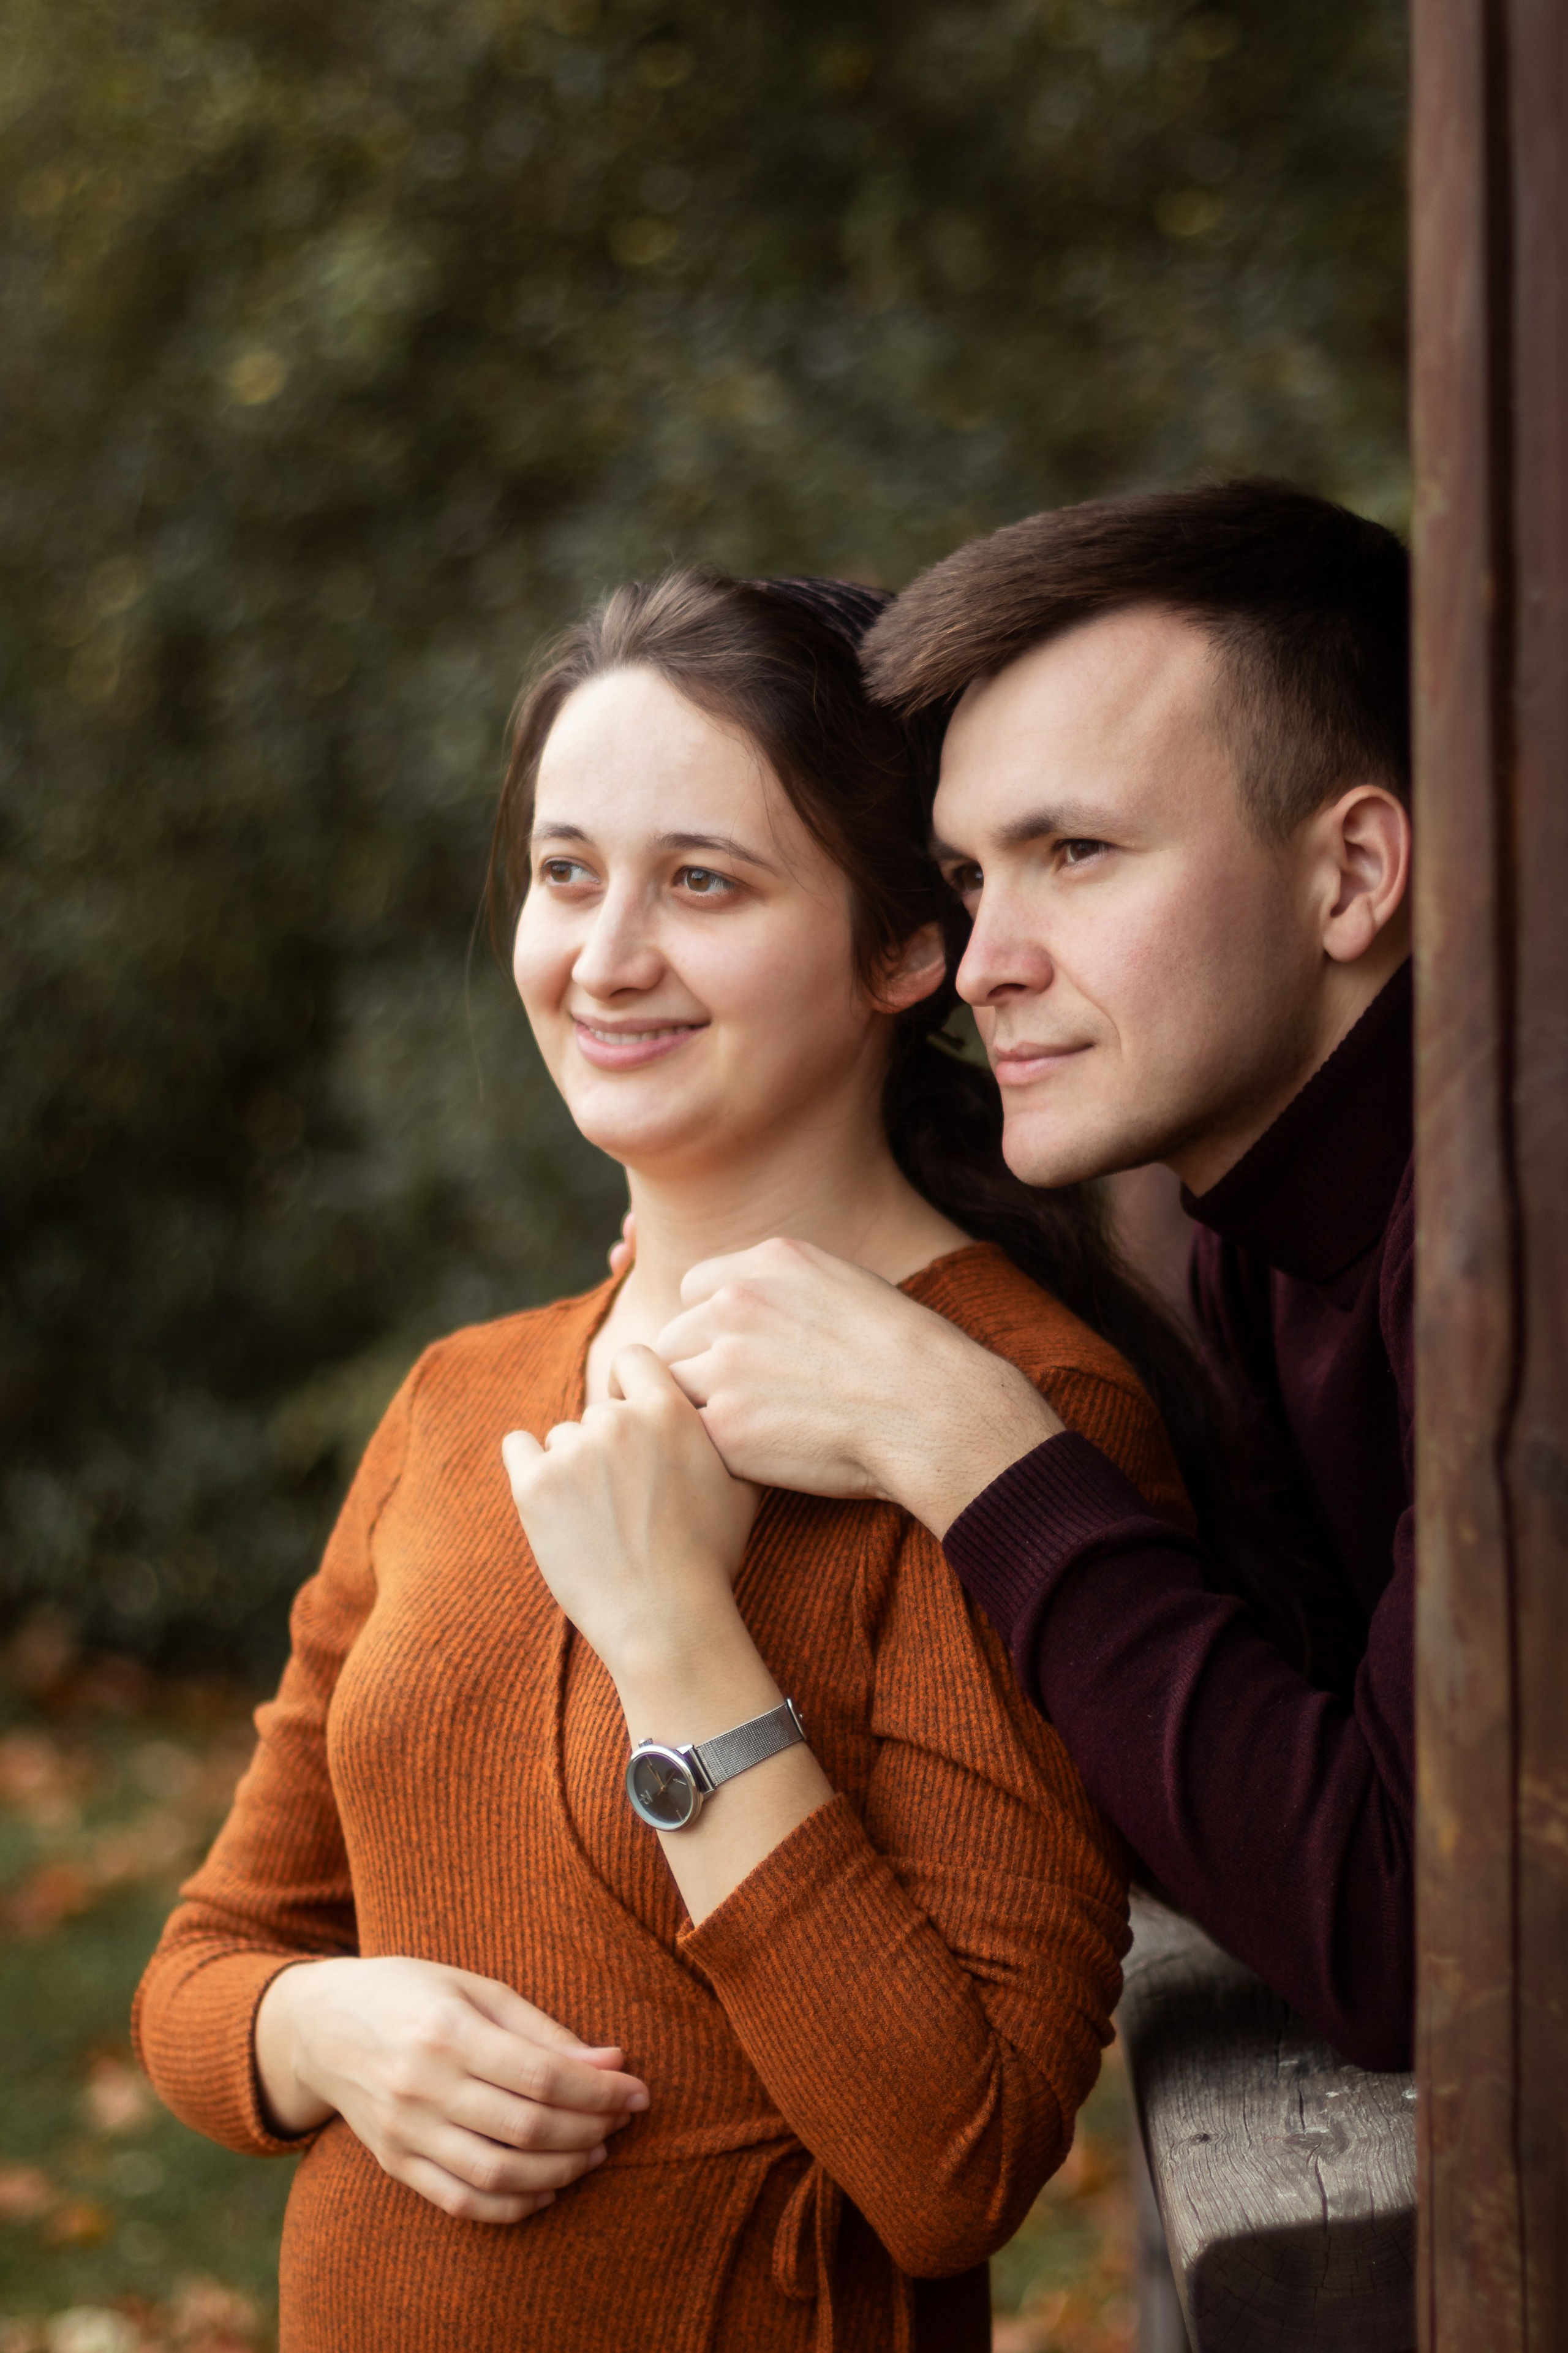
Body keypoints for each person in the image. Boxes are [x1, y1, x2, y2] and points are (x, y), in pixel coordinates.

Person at [134, 572, 1198, 2352]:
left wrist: (674, 1636)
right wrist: (314, 2032)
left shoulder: (1013, 1415)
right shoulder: (459, 1398)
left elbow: (955, 2160)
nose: (604, 954)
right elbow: (207, 1956)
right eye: (567, 872)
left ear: (900, 947)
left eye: (701, 879)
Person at [642, 482, 1417, 2073]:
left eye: (1077, 850)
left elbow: (1407, 1932)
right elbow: (1262, 1780)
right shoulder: (1257, 1231)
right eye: (972, 877)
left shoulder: (1503, 1254)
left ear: (1350, 876)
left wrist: (970, 1444)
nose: (987, 959)